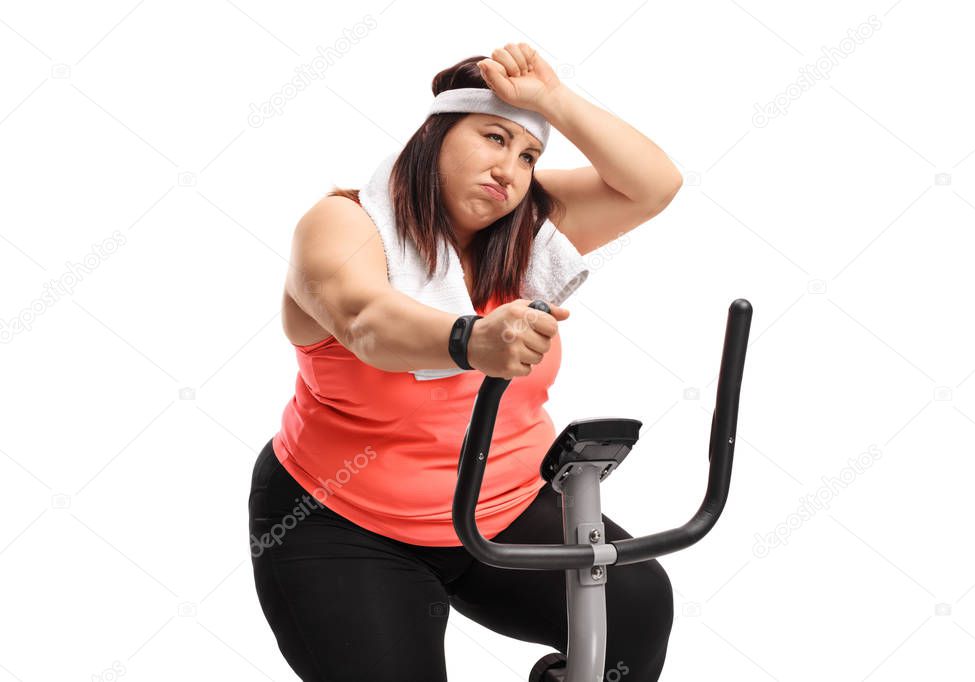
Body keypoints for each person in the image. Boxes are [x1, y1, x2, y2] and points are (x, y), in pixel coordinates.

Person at [249, 42, 683, 681]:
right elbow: (366, 321)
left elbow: (653, 186)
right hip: (342, 520)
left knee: (637, 608)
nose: (510, 169)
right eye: (492, 137)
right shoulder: (342, 224)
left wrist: (552, 101)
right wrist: (470, 339)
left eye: (528, 155)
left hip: (501, 508)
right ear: (436, 135)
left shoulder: (527, 230)